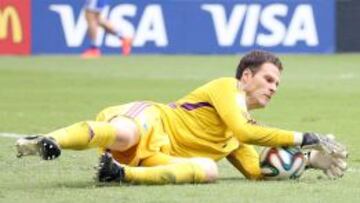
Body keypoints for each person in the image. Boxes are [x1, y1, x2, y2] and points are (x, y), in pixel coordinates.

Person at [15, 50, 348, 184]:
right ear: (246, 76)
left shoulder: (237, 134)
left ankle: (118, 174)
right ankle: (48, 140)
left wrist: (311, 159)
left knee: (208, 170)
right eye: (268, 79)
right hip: (151, 119)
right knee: (126, 134)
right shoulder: (226, 88)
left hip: (158, 156)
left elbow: (255, 170)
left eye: (277, 83)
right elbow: (244, 131)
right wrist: (302, 136)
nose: (274, 88)